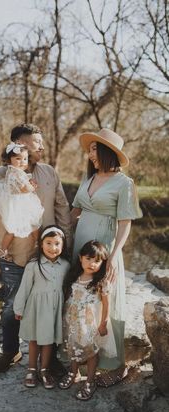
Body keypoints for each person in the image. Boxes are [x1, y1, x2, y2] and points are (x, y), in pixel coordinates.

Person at [0, 123, 72, 373]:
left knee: (50, 304)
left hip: (49, 255)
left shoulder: (49, 173)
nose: (41, 146)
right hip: (14, 254)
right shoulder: (0, 175)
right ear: (19, 143)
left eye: (41, 142)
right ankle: (11, 351)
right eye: (36, 142)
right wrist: (14, 204)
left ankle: (49, 357)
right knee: (11, 305)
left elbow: (62, 208)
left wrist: (66, 242)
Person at [71, 128, 142, 387]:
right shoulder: (88, 180)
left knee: (105, 302)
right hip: (80, 246)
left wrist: (113, 256)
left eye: (93, 150)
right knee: (83, 303)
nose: (90, 155)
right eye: (89, 150)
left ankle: (115, 365)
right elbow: (74, 212)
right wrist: (51, 233)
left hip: (105, 249)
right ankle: (80, 356)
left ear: (106, 151)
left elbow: (125, 223)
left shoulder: (124, 183)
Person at [13, 225, 70, 389]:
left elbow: (66, 290)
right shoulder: (33, 265)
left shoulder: (65, 265)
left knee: (49, 341)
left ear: (63, 245)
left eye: (57, 243)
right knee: (34, 339)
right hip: (36, 308)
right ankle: (31, 369)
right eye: (49, 243)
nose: (53, 248)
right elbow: (24, 288)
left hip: (54, 309)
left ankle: (44, 370)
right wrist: (19, 309)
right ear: (41, 244)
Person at [59, 240, 116, 400]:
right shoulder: (74, 276)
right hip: (71, 322)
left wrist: (103, 323)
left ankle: (90, 380)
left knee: (91, 352)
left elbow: (106, 304)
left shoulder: (101, 281)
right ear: (80, 258)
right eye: (88, 259)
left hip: (89, 325)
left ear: (102, 262)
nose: (92, 264)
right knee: (72, 348)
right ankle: (73, 372)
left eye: (97, 261)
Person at [0, 142, 44, 258]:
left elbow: (23, 185)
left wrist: (29, 184)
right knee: (24, 226)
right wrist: (32, 187)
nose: (22, 162)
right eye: (18, 158)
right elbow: (22, 189)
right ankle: (4, 249)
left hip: (19, 204)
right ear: (9, 160)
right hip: (17, 205)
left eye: (25, 159)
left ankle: (4, 249)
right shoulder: (14, 173)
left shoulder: (17, 172)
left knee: (22, 227)